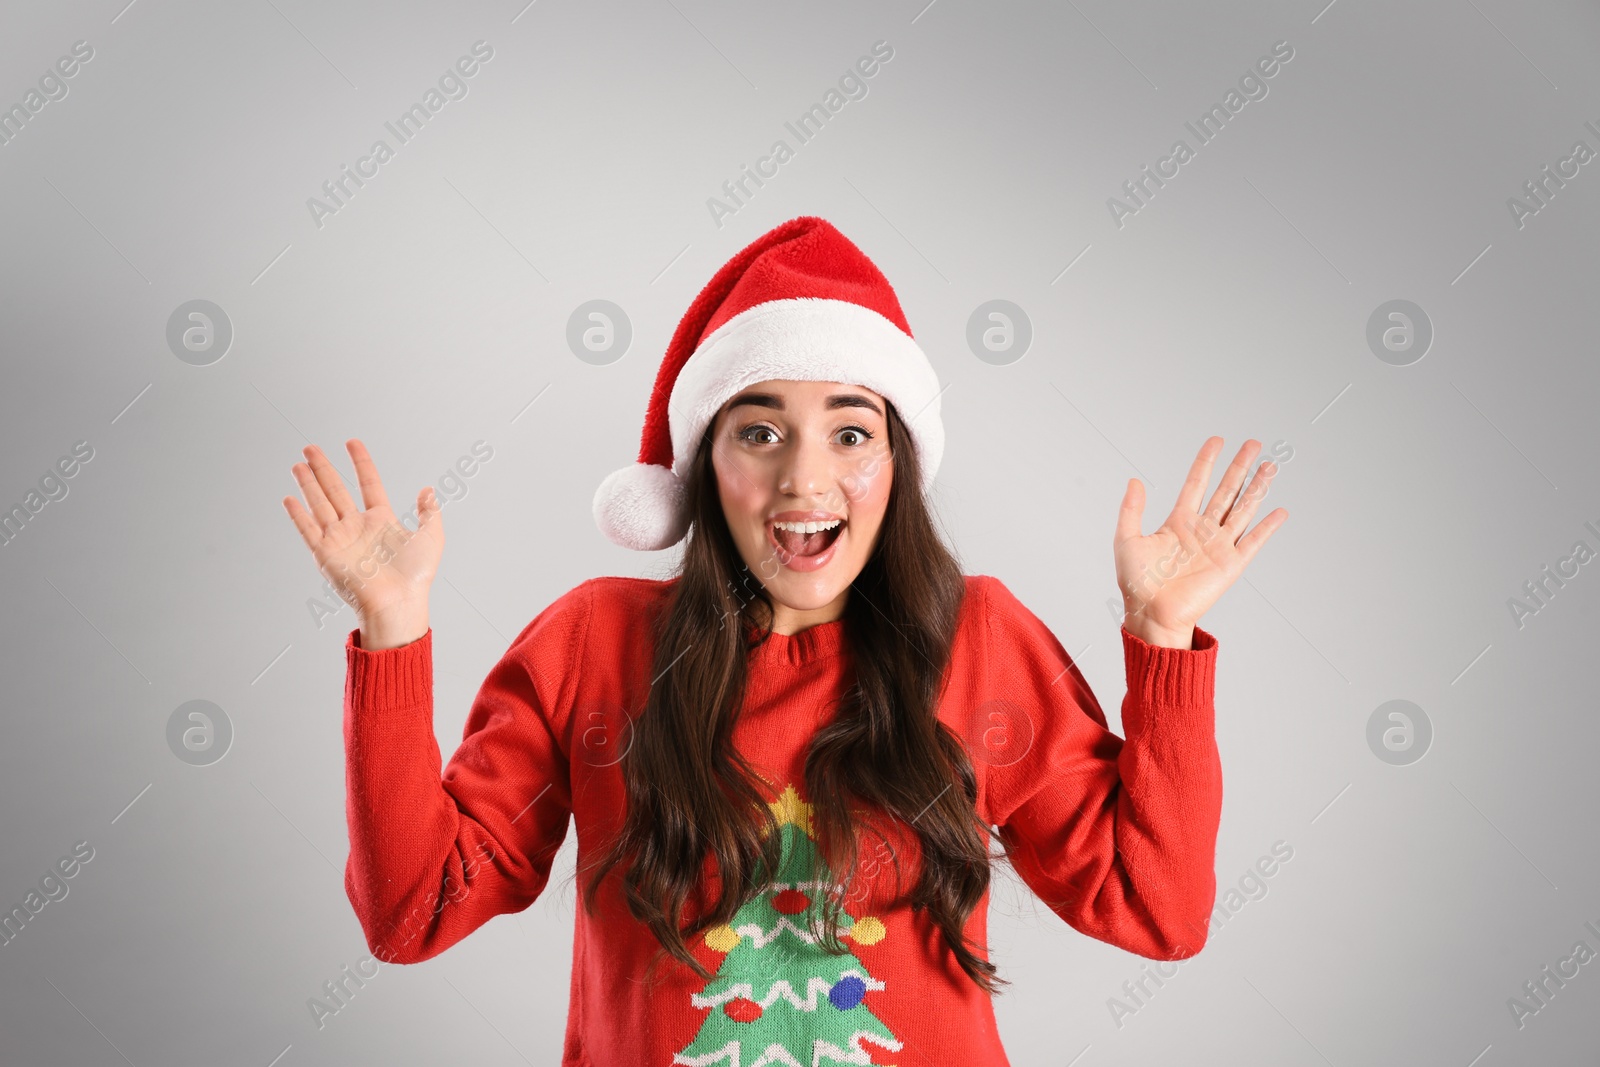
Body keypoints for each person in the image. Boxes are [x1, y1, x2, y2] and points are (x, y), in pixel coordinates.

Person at [281, 216, 1286, 1065]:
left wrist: (1162, 635)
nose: (806, 480)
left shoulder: (979, 639)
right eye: (759, 432)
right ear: (703, 464)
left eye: (851, 433)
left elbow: (1158, 911)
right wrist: (392, 626)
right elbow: (413, 912)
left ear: (896, 464)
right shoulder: (593, 642)